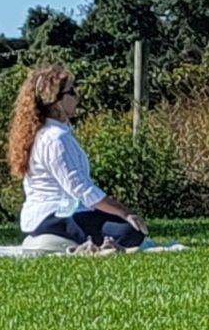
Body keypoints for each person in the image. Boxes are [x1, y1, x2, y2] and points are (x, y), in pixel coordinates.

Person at [8, 63, 150, 254]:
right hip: (54, 215)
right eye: (71, 92)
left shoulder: (46, 134)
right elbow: (80, 189)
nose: (77, 97)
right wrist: (124, 212)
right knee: (129, 231)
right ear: (57, 101)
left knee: (121, 225)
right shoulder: (55, 137)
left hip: (52, 214)